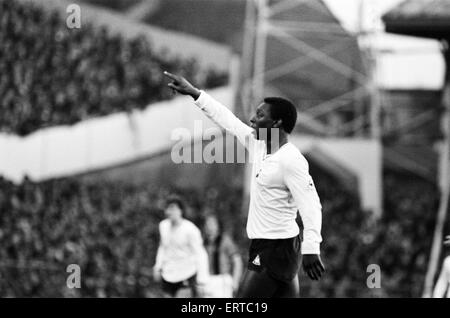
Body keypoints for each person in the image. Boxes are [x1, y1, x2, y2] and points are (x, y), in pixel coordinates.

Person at [164, 71, 324, 298]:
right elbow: (227, 120)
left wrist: (312, 247)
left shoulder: (291, 160)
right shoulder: (258, 145)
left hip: (277, 250)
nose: (252, 119)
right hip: (265, 246)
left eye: (259, 115)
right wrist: (195, 93)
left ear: (276, 122)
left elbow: (311, 205)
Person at [153, 196, 209, 297]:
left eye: (173, 208)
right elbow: (162, 247)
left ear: (181, 210)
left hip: (186, 274)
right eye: (168, 208)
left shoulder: (190, 229)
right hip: (168, 274)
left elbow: (200, 254)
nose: (170, 212)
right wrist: (158, 266)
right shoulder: (163, 226)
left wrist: (202, 280)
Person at [202, 214, 243, 297]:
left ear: (218, 226)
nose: (210, 227)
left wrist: (235, 281)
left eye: (212, 224)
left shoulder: (225, 240)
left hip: (223, 280)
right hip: (207, 280)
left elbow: (237, 261)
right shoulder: (203, 243)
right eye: (207, 224)